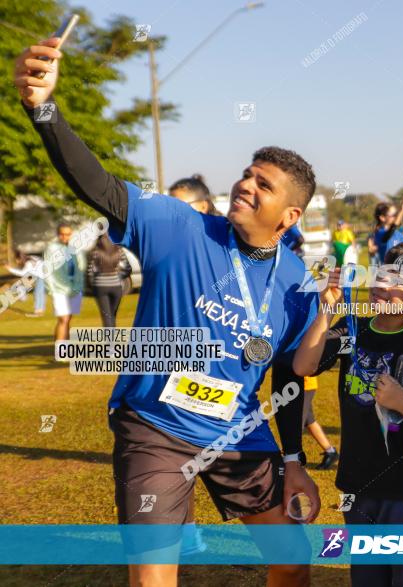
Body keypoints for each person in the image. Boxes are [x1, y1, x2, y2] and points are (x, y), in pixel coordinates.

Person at [16, 37, 321, 586]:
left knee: (293, 560)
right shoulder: (180, 227)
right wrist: (44, 110)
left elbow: (288, 373)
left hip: (237, 432)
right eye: (247, 174)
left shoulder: (297, 282)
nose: (245, 185)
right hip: (156, 428)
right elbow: (101, 187)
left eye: (263, 184)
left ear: (290, 213)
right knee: (154, 578)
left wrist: (294, 460)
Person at [294, 242, 403, 587]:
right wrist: (326, 310)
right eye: (382, 275)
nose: (384, 285)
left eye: (399, 281)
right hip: (357, 484)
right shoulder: (352, 330)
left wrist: (402, 402)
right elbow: (304, 365)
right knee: (367, 576)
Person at [45, 223, 85, 341]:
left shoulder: (74, 249)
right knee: (64, 319)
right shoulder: (52, 249)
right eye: (62, 234)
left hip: (74, 288)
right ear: (58, 235)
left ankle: (64, 349)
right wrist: (51, 288)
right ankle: (60, 352)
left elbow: (80, 267)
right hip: (58, 289)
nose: (65, 237)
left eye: (68, 234)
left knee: (67, 320)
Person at [87, 233, 132, 327]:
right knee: (112, 315)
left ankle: (109, 341)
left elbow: (89, 272)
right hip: (116, 286)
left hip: (100, 286)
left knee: (107, 317)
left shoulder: (95, 252)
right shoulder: (119, 250)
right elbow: (128, 269)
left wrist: (93, 284)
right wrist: (119, 276)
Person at [302, 375, 339, 469]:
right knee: (309, 420)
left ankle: (291, 461)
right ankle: (330, 452)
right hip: (299, 385)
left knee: (296, 424)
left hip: (304, 385)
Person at [370, 196, 403, 264]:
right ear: (382, 218)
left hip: (399, 271)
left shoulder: (396, 233)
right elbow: (391, 230)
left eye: (395, 214)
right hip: (387, 272)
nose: (395, 216)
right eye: (392, 215)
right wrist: (402, 210)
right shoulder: (380, 233)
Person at [6, 248, 46, 317]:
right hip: (42, 274)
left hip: (43, 275)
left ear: (20, 258)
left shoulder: (28, 263)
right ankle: (39, 310)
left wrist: (9, 269)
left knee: (38, 292)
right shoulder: (31, 258)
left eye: (17, 260)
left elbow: (22, 273)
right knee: (38, 292)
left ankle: (38, 311)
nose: (18, 262)